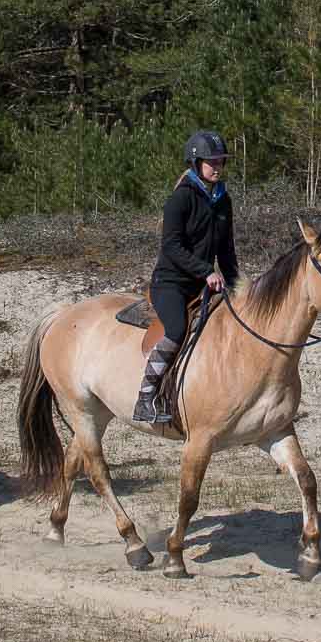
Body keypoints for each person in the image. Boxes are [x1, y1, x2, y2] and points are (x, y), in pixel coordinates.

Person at [131, 129, 239, 426]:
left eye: (221, 161)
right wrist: (206, 271)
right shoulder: (180, 199)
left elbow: (226, 250)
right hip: (171, 283)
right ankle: (145, 397)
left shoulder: (222, 200)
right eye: (211, 161)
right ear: (195, 163)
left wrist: (238, 285)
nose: (217, 166)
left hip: (203, 283)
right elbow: (172, 247)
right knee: (177, 329)